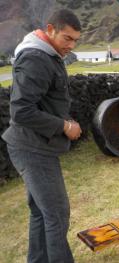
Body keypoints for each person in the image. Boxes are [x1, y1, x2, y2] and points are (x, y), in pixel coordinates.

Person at [1, 9, 82, 263]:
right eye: (67, 38)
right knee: (57, 214)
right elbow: (22, 110)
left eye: (75, 40)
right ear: (50, 30)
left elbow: (44, 103)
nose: (71, 45)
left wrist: (64, 120)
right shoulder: (37, 58)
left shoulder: (48, 54)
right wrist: (64, 127)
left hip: (34, 146)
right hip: (32, 149)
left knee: (40, 212)